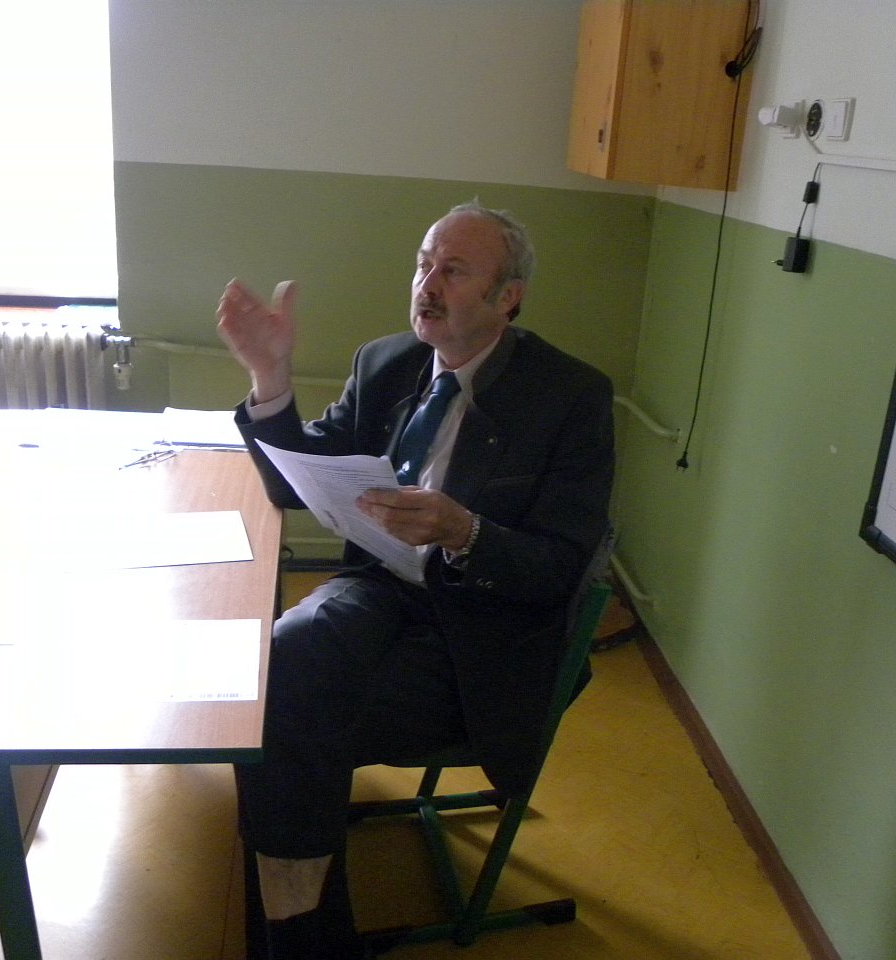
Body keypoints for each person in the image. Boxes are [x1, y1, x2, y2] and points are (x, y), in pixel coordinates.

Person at [216, 200, 614, 959]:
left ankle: (298, 941)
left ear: (508, 297)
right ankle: (304, 938)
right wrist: (270, 375)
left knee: (283, 721)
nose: (427, 285)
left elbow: (561, 567)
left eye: (453, 271)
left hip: (484, 632)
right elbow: (294, 477)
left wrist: (467, 532)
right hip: (380, 587)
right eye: (424, 264)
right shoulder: (386, 362)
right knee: (279, 668)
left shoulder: (570, 397)